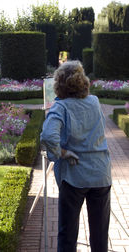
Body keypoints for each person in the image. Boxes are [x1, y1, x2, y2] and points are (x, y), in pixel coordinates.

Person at [40, 60, 112, 252]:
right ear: (83, 81)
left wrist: (61, 153)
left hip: (74, 175)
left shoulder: (60, 107)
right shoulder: (94, 101)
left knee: (67, 235)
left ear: (59, 84)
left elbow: (48, 136)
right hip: (100, 173)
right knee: (100, 235)